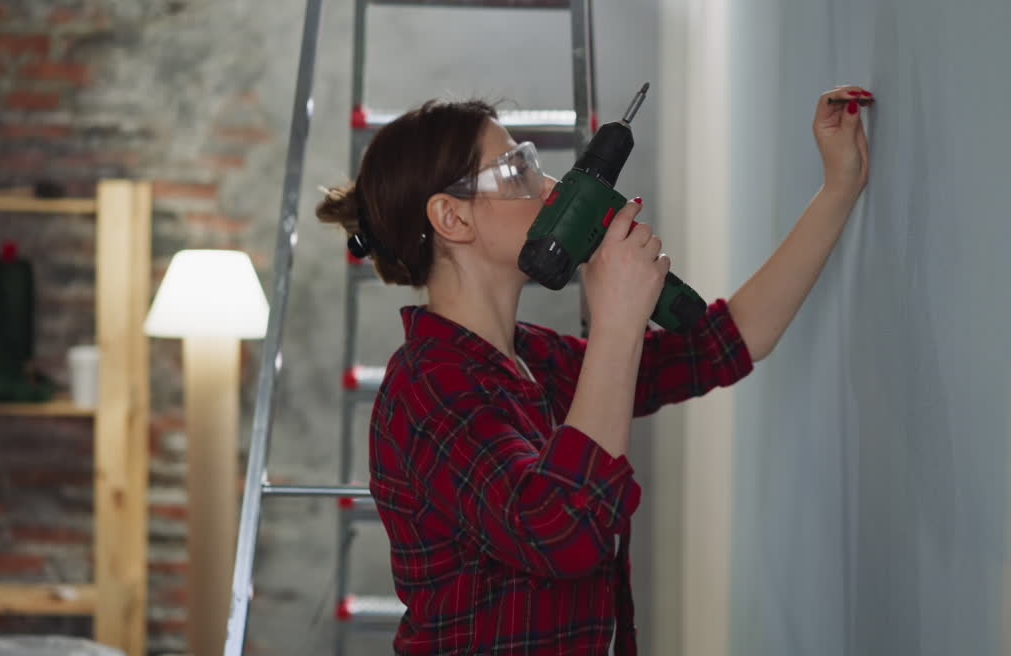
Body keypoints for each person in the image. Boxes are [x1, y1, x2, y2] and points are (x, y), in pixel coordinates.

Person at [316, 85, 873, 655]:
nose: (550, 187)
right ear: (451, 217)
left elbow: (724, 344)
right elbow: (561, 531)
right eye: (516, 171)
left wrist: (839, 185)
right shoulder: (425, 387)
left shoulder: (535, 361)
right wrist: (616, 322)